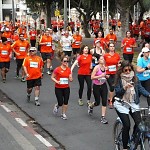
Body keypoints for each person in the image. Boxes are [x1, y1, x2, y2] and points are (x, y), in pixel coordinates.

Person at [113, 60, 150, 150]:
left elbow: (141, 89)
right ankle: (125, 147)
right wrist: (124, 88)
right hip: (122, 104)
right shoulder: (119, 79)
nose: (128, 72)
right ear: (122, 70)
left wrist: (148, 94)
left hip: (133, 103)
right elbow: (117, 92)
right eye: (125, 70)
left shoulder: (135, 78)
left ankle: (133, 139)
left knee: (139, 123)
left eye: (129, 70)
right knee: (127, 125)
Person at [51, 52, 73, 120]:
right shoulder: (57, 69)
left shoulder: (68, 69)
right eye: (64, 61)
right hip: (58, 88)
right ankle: (57, 106)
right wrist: (57, 81)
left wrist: (71, 78)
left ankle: (63, 114)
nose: (66, 62)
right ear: (61, 62)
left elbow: (70, 78)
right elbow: (52, 77)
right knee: (60, 102)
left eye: (67, 61)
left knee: (66, 102)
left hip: (66, 88)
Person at [89, 55, 108, 124]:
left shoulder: (105, 67)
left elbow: (104, 75)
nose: (103, 60)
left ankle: (103, 117)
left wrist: (106, 76)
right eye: (101, 59)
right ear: (99, 60)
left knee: (104, 101)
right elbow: (92, 77)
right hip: (96, 86)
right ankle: (91, 106)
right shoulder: (96, 68)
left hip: (103, 85)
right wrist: (100, 76)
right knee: (97, 102)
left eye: (103, 59)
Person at [104, 43, 120, 109]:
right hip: (108, 74)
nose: (112, 47)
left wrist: (119, 65)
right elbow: (102, 63)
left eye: (113, 46)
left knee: (115, 86)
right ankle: (111, 101)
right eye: (111, 46)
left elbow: (119, 63)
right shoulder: (106, 55)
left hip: (115, 73)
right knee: (112, 86)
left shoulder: (117, 55)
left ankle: (110, 98)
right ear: (109, 48)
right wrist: (105, 68)